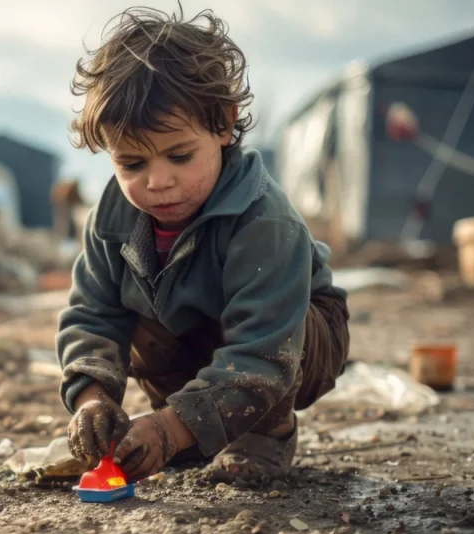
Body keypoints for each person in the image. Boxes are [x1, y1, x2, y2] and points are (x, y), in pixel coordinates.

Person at [57, 6, 350, 485]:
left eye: (179, 155)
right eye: (131, 164)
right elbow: (92, 314)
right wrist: (93, 399)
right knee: (138, 322)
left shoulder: (263, 220)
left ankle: (264, 428)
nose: (157, 182)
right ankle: (197, 424)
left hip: (293, 337)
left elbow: (263, 350)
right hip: (191, 332)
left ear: (223, 124)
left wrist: (169, 431)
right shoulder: (111, 219)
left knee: (271, 348)